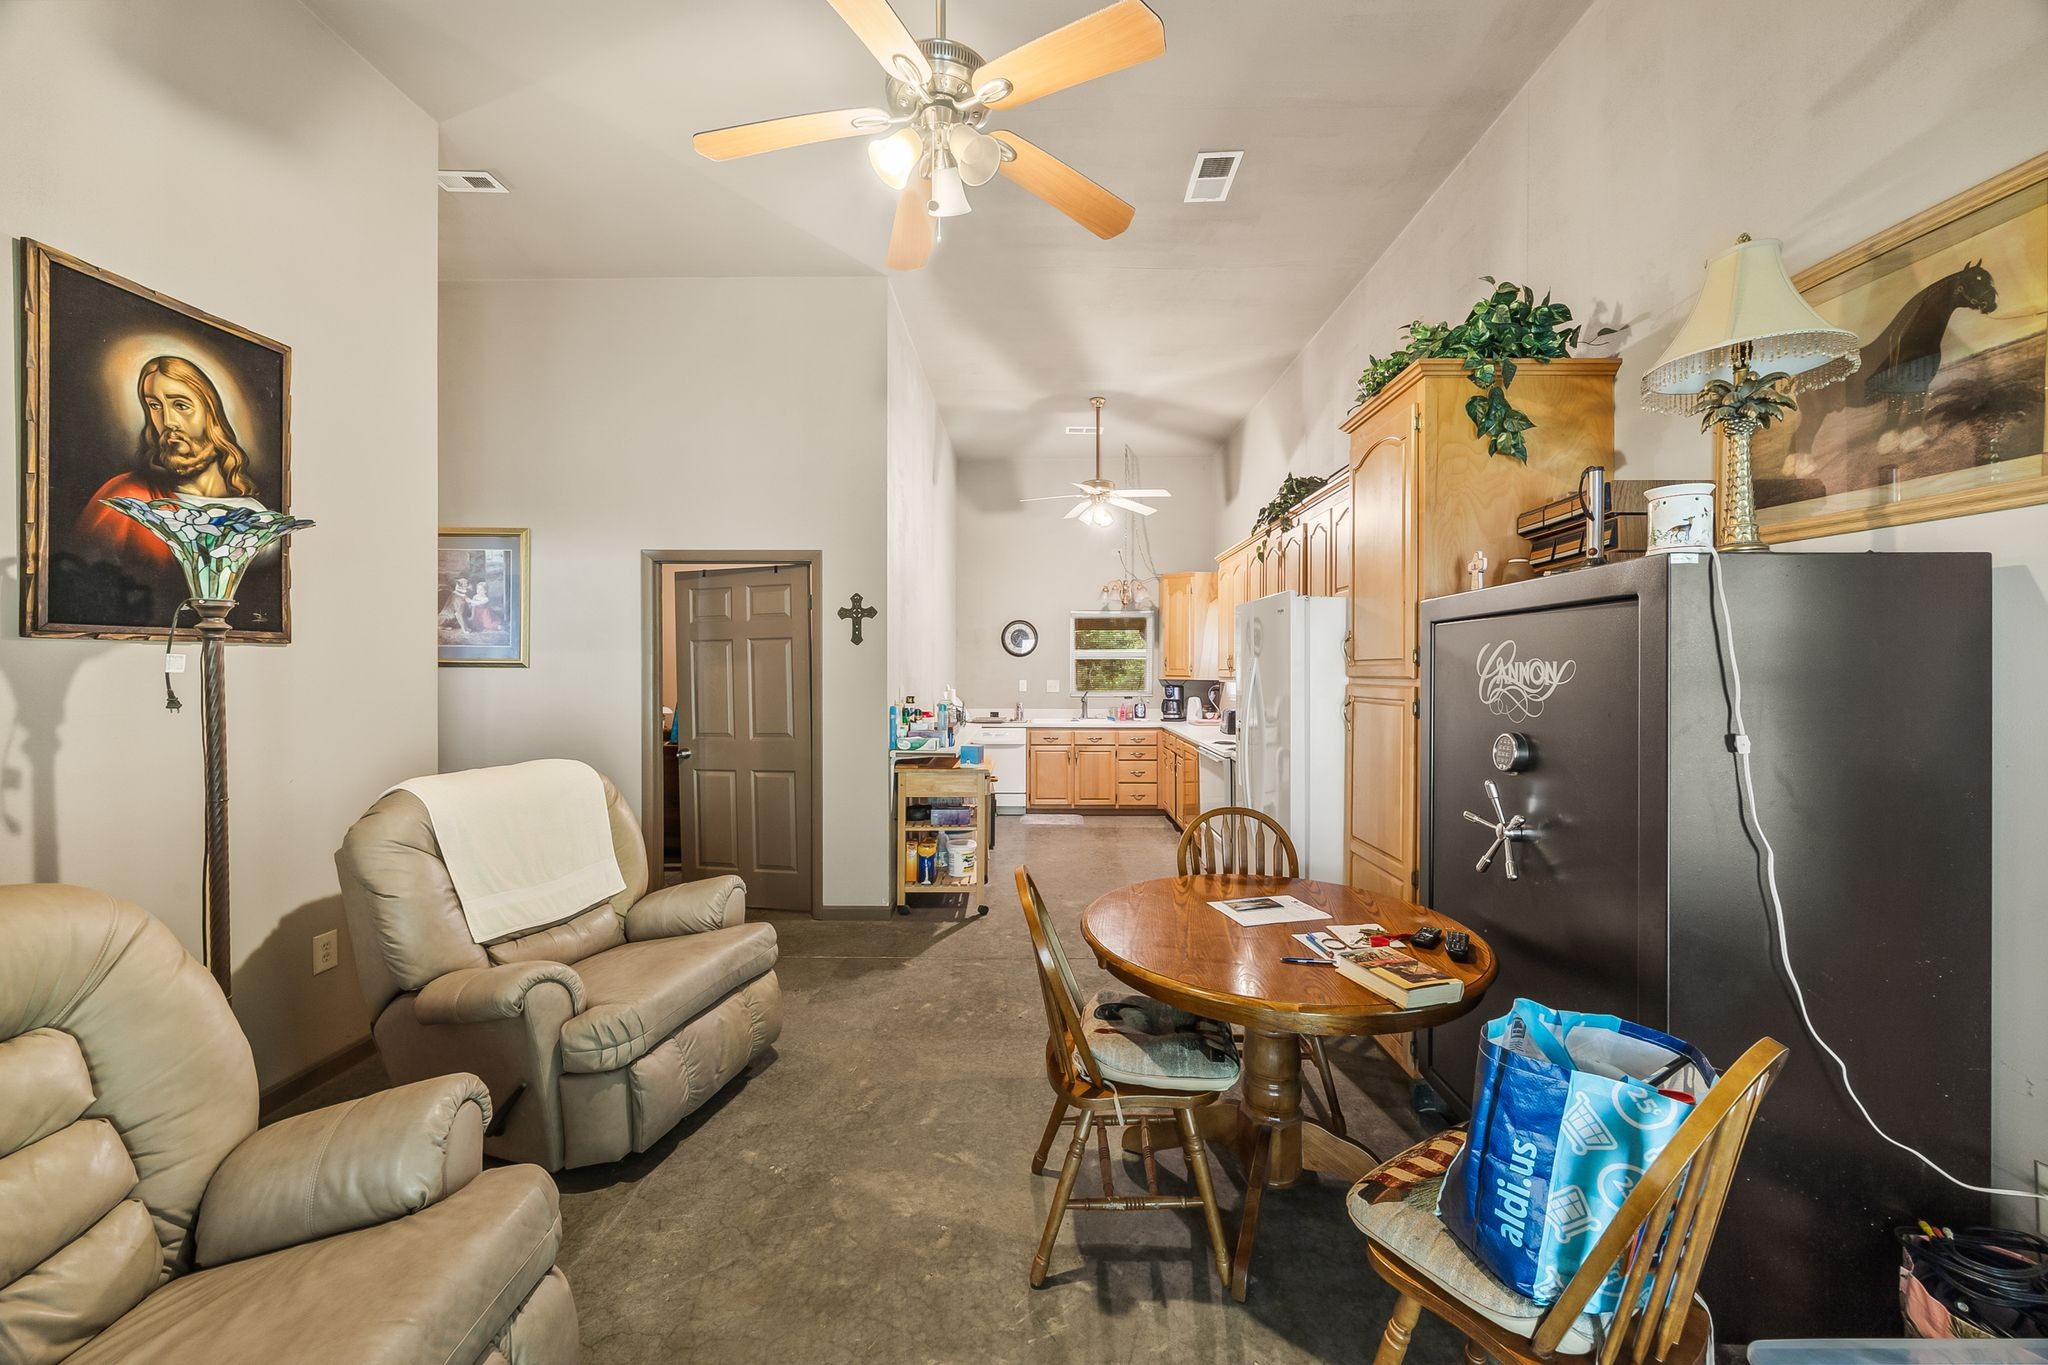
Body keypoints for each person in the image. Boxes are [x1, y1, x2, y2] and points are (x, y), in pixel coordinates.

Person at [72, 355, 267, 565]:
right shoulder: (127, 498)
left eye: (181, 406)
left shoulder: (256, 512)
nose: (168, 422)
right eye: (154, 406)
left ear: (211, 413)